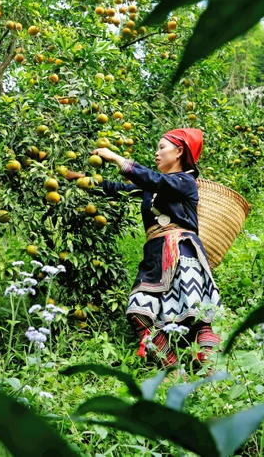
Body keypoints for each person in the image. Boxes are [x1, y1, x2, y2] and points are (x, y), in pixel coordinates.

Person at [65, 128, 221, 368]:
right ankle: (171, 368)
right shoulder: (151, 188)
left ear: (179, 151)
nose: (156, 153)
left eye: (162, 148)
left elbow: (154, 179)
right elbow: (116, 189)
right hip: (155, 255)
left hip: (181, 251)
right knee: (138, 311)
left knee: (197, 317)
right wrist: (75, 177)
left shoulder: (185, 181)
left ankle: (211, 374)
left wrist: (118, 158)